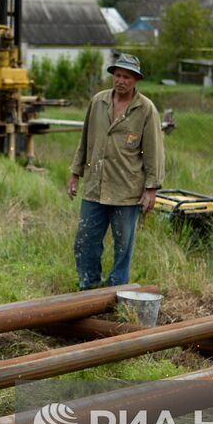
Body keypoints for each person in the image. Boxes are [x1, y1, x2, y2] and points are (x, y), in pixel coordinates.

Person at [66, 53, 165, 290]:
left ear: (135, 80)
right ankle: (88, 286)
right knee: (85, 240)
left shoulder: (145, 109)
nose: (121, 81)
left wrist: (151, 189)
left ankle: (116, 290)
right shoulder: (98, 102)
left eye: (127, 77)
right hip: (94, 186)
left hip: (126, 189)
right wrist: (74, 174)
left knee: (123, 245)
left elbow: (154, 151)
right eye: (118, 75)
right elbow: (85, 140)